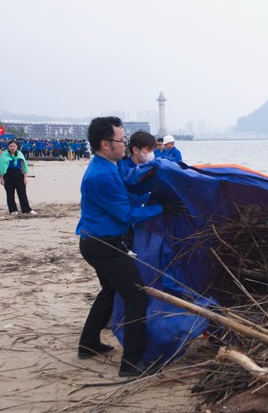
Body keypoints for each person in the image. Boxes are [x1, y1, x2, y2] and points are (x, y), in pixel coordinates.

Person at [76, 116, 185, 378]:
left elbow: (130, 188)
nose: (125, 144)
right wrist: (162, 208)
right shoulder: (101, 175)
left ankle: (88, 343)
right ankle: (132, 363)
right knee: (137, 295)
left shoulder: (111, 165)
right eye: (121, 140)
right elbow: (126, 214)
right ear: (105, 144)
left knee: (110, 290)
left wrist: (156, 182)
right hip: (100, 245)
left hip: (100, 241)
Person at [0, 140, 37, 215]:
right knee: (10, 193)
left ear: (17, 147)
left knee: (22, 193)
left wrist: (25, 177)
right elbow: (2, 168)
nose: (12, 148)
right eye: (11, 146)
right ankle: (13, 210)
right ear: (8, 147)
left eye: (14, 146)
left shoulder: (20, 154)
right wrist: (2, 178)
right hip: (8, 174)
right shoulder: (4, 155)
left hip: (19, 174)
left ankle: (26, 209)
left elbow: (23, 166)